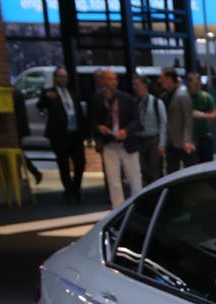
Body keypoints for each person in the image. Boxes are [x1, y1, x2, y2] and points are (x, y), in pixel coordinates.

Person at [89, 68, 142, 208]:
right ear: (103, 81)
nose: (113, 82)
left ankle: (137, 206)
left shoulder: (126, 98)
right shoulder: (97, 99)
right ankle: (118, 208)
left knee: (134, 178)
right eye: (110, 79)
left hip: (127, 143)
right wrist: (99, 128)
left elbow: (136, 120)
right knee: (113, 180)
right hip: (109, 143)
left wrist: (126, 131)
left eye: (115, 79)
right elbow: (91, 121)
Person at [39, 68, 86, 204]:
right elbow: (40, 106)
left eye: (65, 76)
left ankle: (76, 188)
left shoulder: (72, 93)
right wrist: (46, 97)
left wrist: (85, 132)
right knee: (63, 163)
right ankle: (69, 191)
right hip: (60, 135)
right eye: (61, 76)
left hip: (75, 133)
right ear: (55, 78)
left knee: (80, 162)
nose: (63, 79)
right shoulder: (49, 93)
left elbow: (79, 112)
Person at [158, 69, 194, 175]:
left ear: (169, 79)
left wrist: (187, 140)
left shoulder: (182, 95)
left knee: (190, 172)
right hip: (171, 142)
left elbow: (188, 118)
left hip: (183, 142)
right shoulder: (166, 95)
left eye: (162, 78)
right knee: (171, 172)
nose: (160, 81)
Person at [132, 75, 165, 186]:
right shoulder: (134, 102)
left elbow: (163, 123)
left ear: (145, 85)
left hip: (153, 140)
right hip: (139, 140)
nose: (135, 87)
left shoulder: (156, 102)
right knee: (141, 171)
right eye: (134, 85)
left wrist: (162, 143)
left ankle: (156, 193)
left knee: (154, 171)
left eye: (137, 85)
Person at [187, 71, 216, 164]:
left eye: (198, 83)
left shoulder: (206, 97)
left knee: (207, 165)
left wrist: (202, 115)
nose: (197, 85)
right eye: (194, 83)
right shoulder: (184, 97)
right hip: (189, 138)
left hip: (204, 137)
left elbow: (214, 115)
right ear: (189, 83)